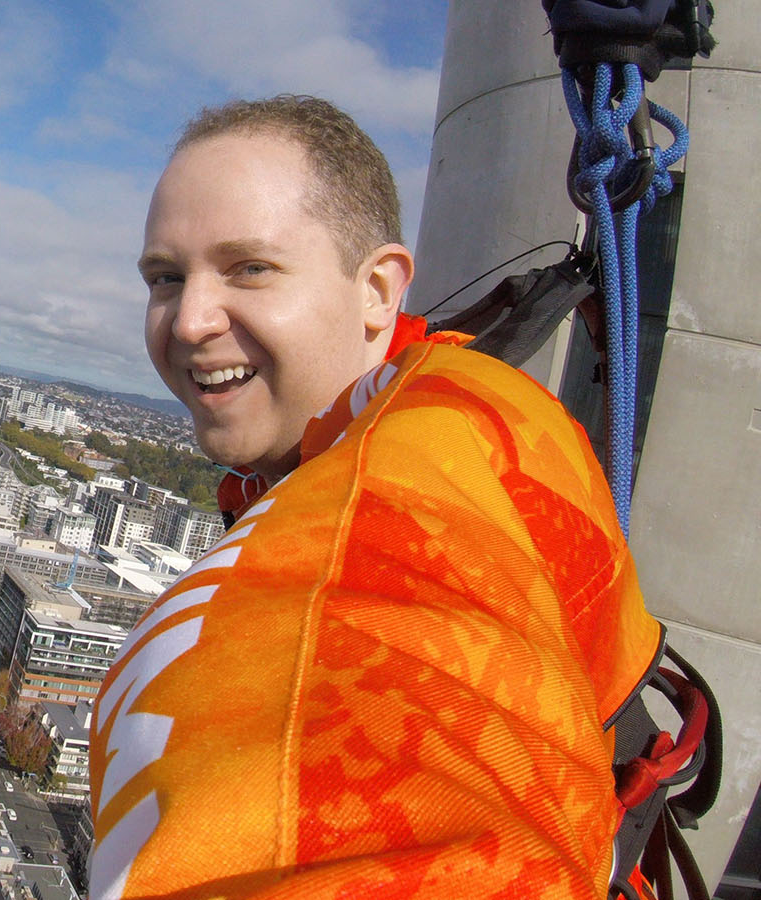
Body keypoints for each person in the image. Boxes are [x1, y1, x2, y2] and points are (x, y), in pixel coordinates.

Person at [89, 96, 662, 899]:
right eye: (165, 278)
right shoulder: (448, 399)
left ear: (378, 290)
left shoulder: (416, 470)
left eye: (250, 267)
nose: (187, 320)